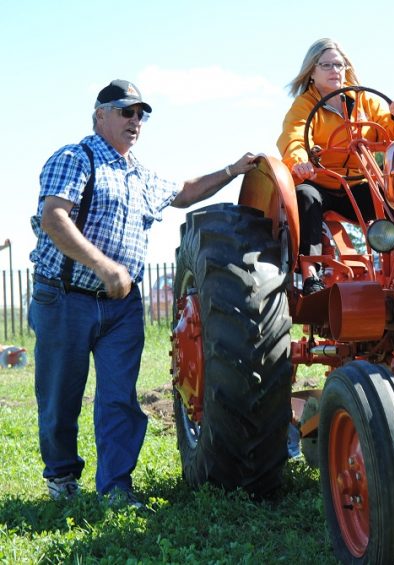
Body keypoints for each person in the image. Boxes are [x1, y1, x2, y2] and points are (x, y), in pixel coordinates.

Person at [28, 79, 257, 507]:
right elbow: (54, 219)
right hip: (64, 297)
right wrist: (104, 266)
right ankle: (61, 476)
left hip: (121, 307)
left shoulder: (138, 174)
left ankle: (115, 487)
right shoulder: (74, 158)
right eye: (126, 111)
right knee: (60, 397)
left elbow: (185, 192)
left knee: (119, 397)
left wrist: (232, 170)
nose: (136, 121)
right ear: (100, 116)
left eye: (141, 114)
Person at [276, 38, 394, 294]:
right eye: (326, 65)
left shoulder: (363, 101)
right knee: (306, 197)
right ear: (312, 72)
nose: (334, 70)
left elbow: (392, 134)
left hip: (357, 184)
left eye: (338, 65)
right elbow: (293, 138)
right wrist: (300, 162)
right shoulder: (304, 106)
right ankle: (311, 276)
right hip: (322, 183)